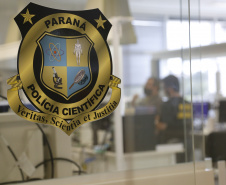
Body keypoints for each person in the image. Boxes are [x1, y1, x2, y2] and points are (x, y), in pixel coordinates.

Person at [157, 75, 192, 161]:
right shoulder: (187, 103)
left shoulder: (167, 105)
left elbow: (162, 125)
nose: (164, 90)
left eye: (164, 87)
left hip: (170, 146)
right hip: (187, 144)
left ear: (170, 88)